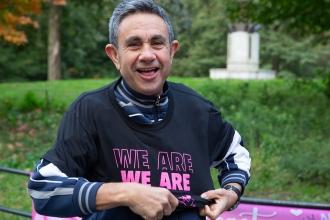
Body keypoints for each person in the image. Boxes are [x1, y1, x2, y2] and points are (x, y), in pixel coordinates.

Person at [28, 0, 251, 219]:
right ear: (114, 55)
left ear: (171, 51)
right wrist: (126, 193)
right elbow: (43, 187)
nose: (147, 55)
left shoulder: (198, 109)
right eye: (134, 44)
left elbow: (236, 154)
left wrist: (231, 192)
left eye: (157, 43)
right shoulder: (90, 111)